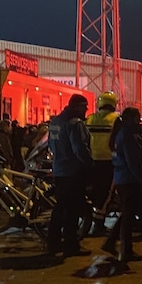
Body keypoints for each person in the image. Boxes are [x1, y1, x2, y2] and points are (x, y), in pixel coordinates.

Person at [47, 95, 92, 257]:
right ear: (77, 107)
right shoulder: (75, 124)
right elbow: (79, 149)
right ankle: (71, 245)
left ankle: (53, 242)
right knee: (72, 210)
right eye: (84, 106)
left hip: (59, 170)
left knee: (60, 208)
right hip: (74, 171)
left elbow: (51, 145)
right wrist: (89, 164)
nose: (86, 109)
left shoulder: (56, 122)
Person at [103, 107, 142, 263]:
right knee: (128, 217)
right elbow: (132, 160)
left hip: (123, 178)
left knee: (126, 214)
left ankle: (111, 242)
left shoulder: (121, 133)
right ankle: (125, 251)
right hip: (129, 179)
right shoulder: (128, 135)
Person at [85, 92, 120, 236]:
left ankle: (95, 220)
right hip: (109, 161)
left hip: (91, 160)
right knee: (107, 193)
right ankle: (98, 224)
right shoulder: (116, 119)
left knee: (95, 191)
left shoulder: (90, 118)